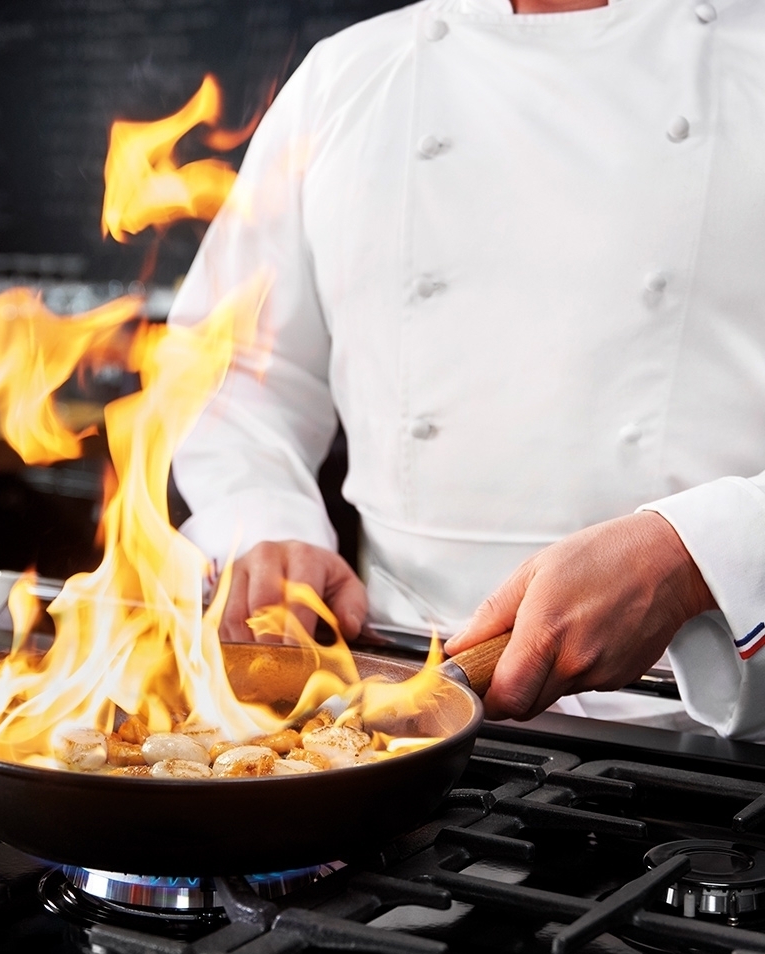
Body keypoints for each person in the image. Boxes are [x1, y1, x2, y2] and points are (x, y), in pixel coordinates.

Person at [169, 0, 765, 739]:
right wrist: (264, 524)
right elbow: (234, 372)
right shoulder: (347, 77)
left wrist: (694, 555)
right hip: (388, 708)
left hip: (706, 728)